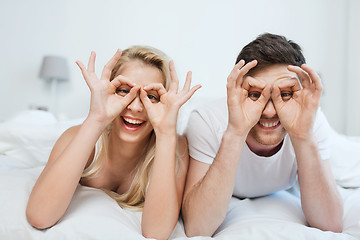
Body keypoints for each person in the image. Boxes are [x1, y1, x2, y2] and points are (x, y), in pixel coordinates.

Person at [26, 46, 201, 240]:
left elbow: (156, 233)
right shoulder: (75, 137)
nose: (135, 107)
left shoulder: (176, 148)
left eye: (150, 97)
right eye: (124, 91)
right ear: (109, 91)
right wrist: (96, 118)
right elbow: (39, 216)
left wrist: (166, 132)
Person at [182, 33, 343, 237]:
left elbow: (331, 224)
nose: (268, 111)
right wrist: (235, 131)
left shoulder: (312, 119)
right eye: (255, 94)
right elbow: (197, 227)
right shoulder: (206, 120)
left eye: (285, 94)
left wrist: (302, 137)